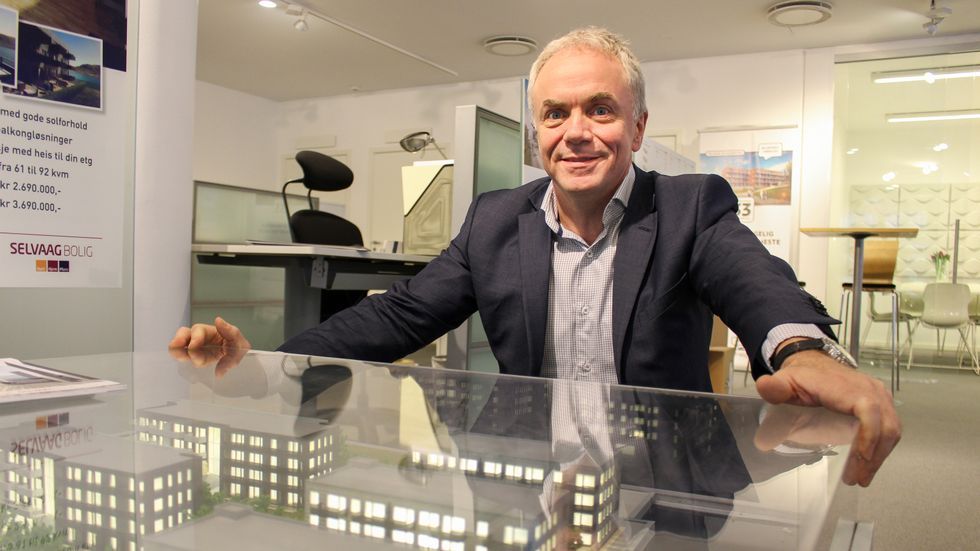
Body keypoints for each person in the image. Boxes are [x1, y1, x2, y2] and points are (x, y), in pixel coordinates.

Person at [171, 27, 899, 487]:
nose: (576, 132)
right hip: (523, 482)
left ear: (638, 127)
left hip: (660, 484)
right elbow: (398, 316)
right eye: (555, 113)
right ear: (536, 132)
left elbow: (755, 281)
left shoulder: (690, 206)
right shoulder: (495, 220)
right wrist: (268, 363)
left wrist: (803, 351)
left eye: (600, 109)